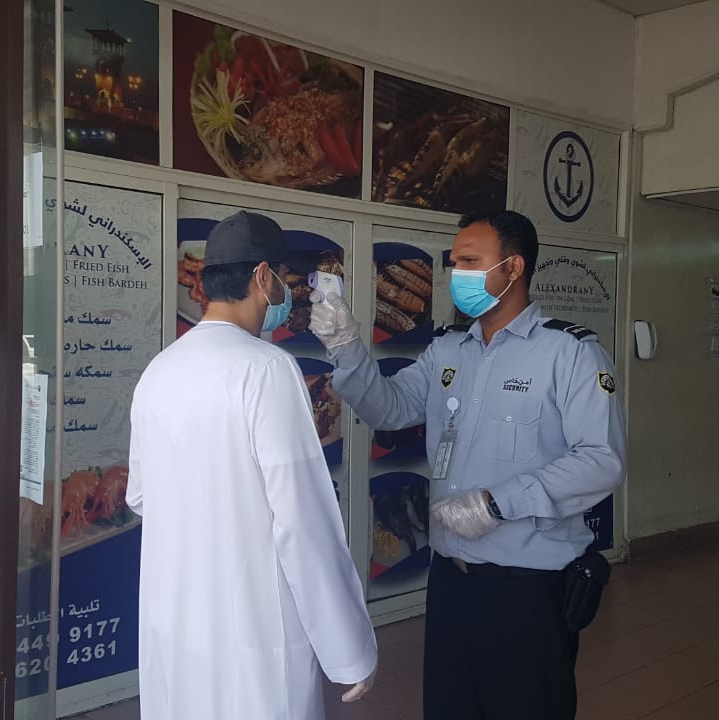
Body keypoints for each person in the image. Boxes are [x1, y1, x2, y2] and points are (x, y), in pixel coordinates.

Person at [309, 210, 626, 720]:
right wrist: (346, 348)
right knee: (450, 706)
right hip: (451, 578)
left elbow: (601, 461)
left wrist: (496, 504)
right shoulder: (449, 350)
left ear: (513, 268)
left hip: (527, 585)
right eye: (454, 262)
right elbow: (390, 408)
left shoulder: (569, 353)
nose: (457, 273)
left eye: (471, 261)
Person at [126, 211, 378, 720]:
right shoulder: (266, 368)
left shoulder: (161, 368)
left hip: (175, 623)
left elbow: (141, 496)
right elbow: (303, 521)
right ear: (263, 277)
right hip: (251, 630)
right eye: (283, 279)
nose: (285, 293)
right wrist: (350, 650)